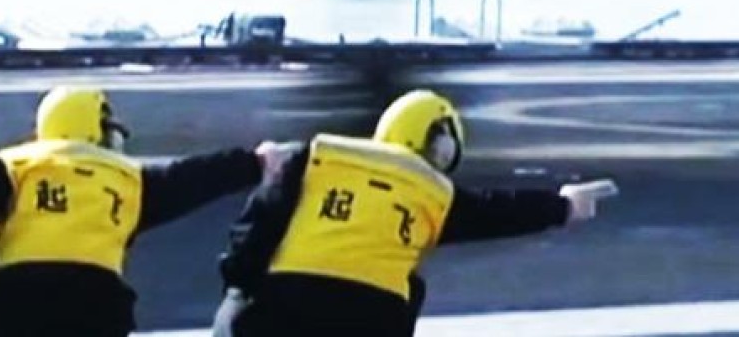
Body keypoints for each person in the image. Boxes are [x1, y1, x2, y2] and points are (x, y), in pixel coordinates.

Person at [213, 88, 618, 337]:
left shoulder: (318, 154)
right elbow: (498, 211)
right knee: (412, 284)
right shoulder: (434, 191)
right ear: (440, 144)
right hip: (374, 318)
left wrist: (240, 283)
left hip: (284, 306)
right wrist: (564, 206)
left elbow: (260, 220)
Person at [0, 85, 289, 337]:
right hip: (97, 310)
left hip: (13, 302)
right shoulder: (127, 180)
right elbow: (191, 179)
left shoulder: (13, 166)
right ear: (95, 129)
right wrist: (256, 162)